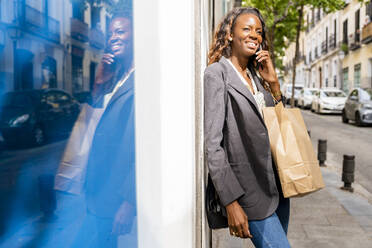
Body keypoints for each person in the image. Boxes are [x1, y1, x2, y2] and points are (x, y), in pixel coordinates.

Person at [204, 7, 291, 247]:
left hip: (277, 190)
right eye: (247, 29)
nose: (254, 35)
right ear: (230, 34)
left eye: (259, 31)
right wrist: (231, 202)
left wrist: (274, 85)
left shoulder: (257, 77)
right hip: (248, 192)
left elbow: (280, 127)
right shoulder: (217, 74)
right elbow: (213, 145)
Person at [71, 8, 137, 248]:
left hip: (115, 197)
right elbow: (92, 126)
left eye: (120, 31)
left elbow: (144, 146)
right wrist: (98, 86)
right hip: (97, 191)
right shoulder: (117, 77)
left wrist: (129, 201)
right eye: (111, 33)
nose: (113, 38)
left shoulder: (142, 79)